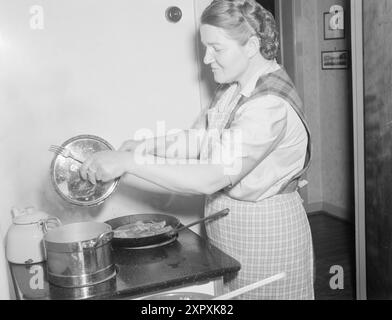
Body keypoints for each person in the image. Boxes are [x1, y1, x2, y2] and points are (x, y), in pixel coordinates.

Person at [80, 0, 314, 300]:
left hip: (267, 230)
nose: (206, 58)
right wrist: (145, 145)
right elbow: (201, 138)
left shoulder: (269, 105)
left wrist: (130, 161)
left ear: (252, 45)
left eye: (216, 48)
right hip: (231, 224)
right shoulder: (234, 88)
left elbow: (211, 176)